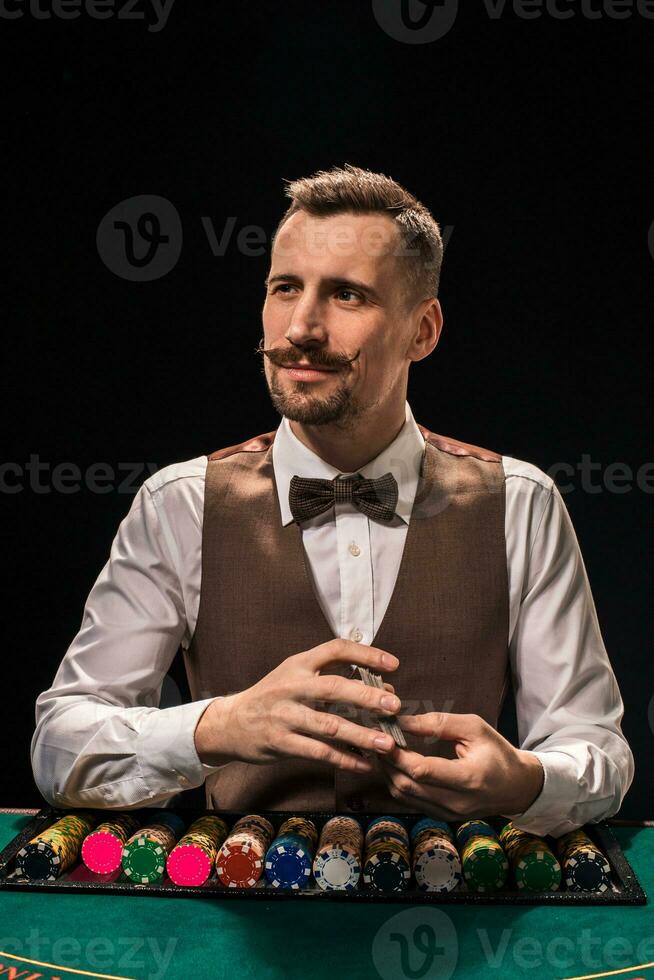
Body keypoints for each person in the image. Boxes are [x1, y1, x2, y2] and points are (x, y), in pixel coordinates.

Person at [31, 164, 633, 836]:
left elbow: (597, 752)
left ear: (423, 331)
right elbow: (60, 747)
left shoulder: (522, 503)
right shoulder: (177, 503)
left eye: (347, 295)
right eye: (285, 288)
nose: (301, 327)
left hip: (461, 916)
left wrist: (527, 782)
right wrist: (219, 726)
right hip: (236, 925)